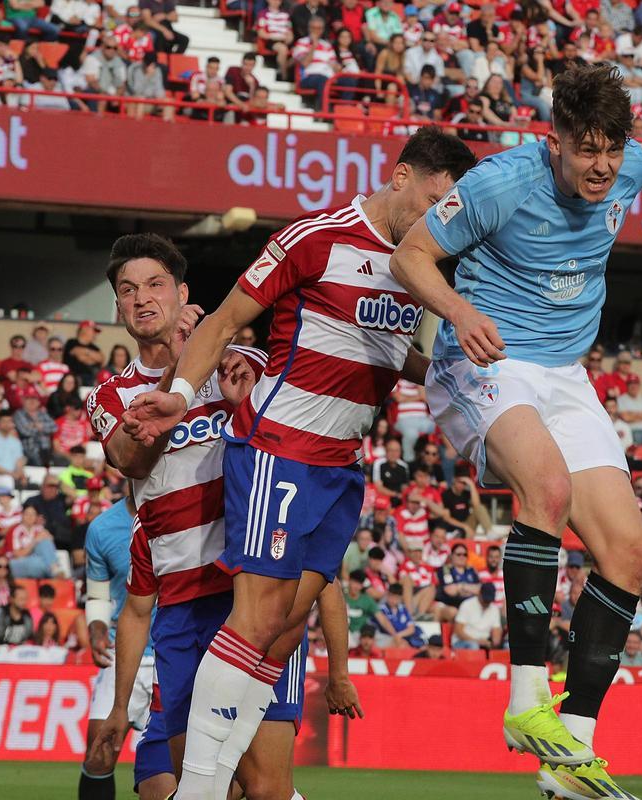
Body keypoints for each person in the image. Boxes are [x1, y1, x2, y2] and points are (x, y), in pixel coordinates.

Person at [118, 137, 474, 795]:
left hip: (342, 468)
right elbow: (224, 320)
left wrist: (455, 370)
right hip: (281, 450)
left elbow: (387, 356)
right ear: (401, 178)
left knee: (282, 636)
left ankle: (221, 777)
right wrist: (175, 394)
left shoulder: (418, 266)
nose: (438, 218)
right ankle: (198, 787)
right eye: (432, 200)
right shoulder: (317, 238)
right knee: (257, 618)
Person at [387, 63, 642, 797]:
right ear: (553, 140)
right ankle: (525, 702)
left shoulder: (628, 163)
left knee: (629, 549)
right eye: (585, 149)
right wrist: (458, 313)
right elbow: (410, 255)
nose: (601, 166)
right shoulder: (502, 183)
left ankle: (570, 756)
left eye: (611, 149)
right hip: (486, 356)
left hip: (565, 374)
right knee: (546, 490)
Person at [87, 234, 359, 800]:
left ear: (184, 293)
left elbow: (294, 444)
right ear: (117, 308)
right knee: (199, 786)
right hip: (180, 603)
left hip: (251, 592)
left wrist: (241, 403)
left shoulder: (246, 363)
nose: (142, 299)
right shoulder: (109, 395)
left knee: (262, 786)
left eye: (155, 285)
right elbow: (131, 457)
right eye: (127, 290)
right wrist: (177, 380)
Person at [80, 499, 159, 800]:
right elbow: (98, 594)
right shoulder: (102, 528)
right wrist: (96, 625)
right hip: (122, 652)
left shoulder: (186, 513)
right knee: (98, 756)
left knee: (171, 768)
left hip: (176, 653)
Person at [452, 583, 504, 650]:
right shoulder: (467, 604)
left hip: (484, 643)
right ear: (479, 594)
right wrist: (477, 641)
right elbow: (458, 631)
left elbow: (496, 629)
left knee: (505, 647)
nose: (487, 602)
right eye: (485, 599)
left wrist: (495, 642)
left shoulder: (494, 609)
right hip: (462, 641)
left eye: (489, 600)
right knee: (474, 646)